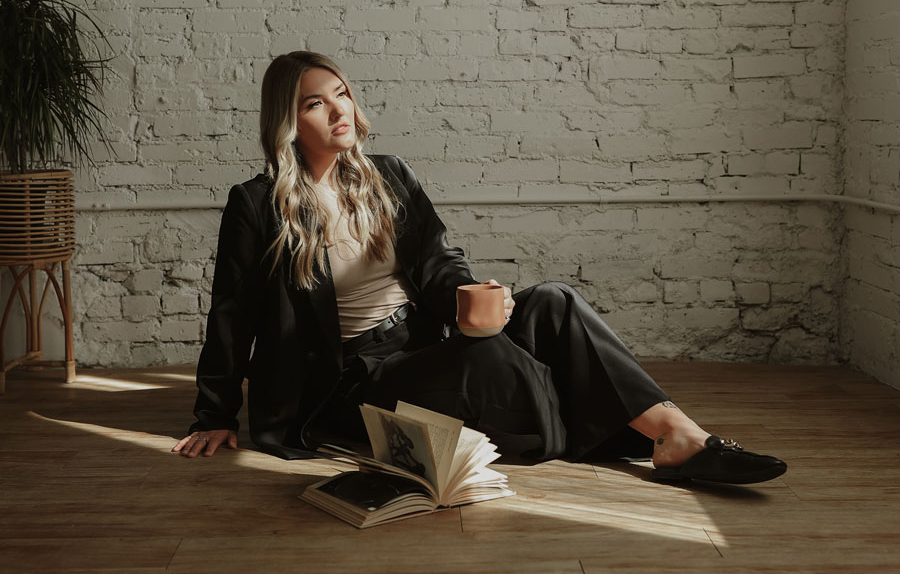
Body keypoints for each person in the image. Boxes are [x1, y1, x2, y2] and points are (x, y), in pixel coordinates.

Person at [173, 50, 787, 488]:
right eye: (315, 102)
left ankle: (680, 433)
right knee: (491, 361)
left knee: (555, 301)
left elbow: (439, 263)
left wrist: (471, 294)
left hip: (417, 347)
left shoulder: (391, 177)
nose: (338, 108)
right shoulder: (257, 203)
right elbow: (232, 312)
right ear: (288, 121)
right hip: (352, 380)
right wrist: (215, 414)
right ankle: (639, 429)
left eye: (343, 93)